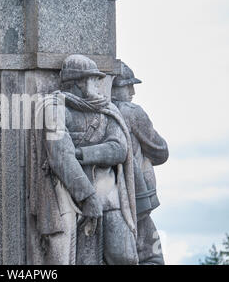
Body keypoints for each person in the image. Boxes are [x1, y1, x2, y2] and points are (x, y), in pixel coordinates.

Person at [30, 54, 138, 265]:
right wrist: (88, 197)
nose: (98, 84)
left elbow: (119, 149)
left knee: (125, 256)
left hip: (108, 194)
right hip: (65, 196)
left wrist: (81, 154)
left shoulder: (107, 110)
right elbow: (60, 154)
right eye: (93, 79)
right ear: (79, 82)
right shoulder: (54, 108)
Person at [112, 62, 169, 265]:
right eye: (127, 85)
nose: (132, 91)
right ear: (113, 87)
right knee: (152, 257)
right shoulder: (131, 112)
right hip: (136, 199)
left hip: (110, 199)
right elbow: (161, 151)